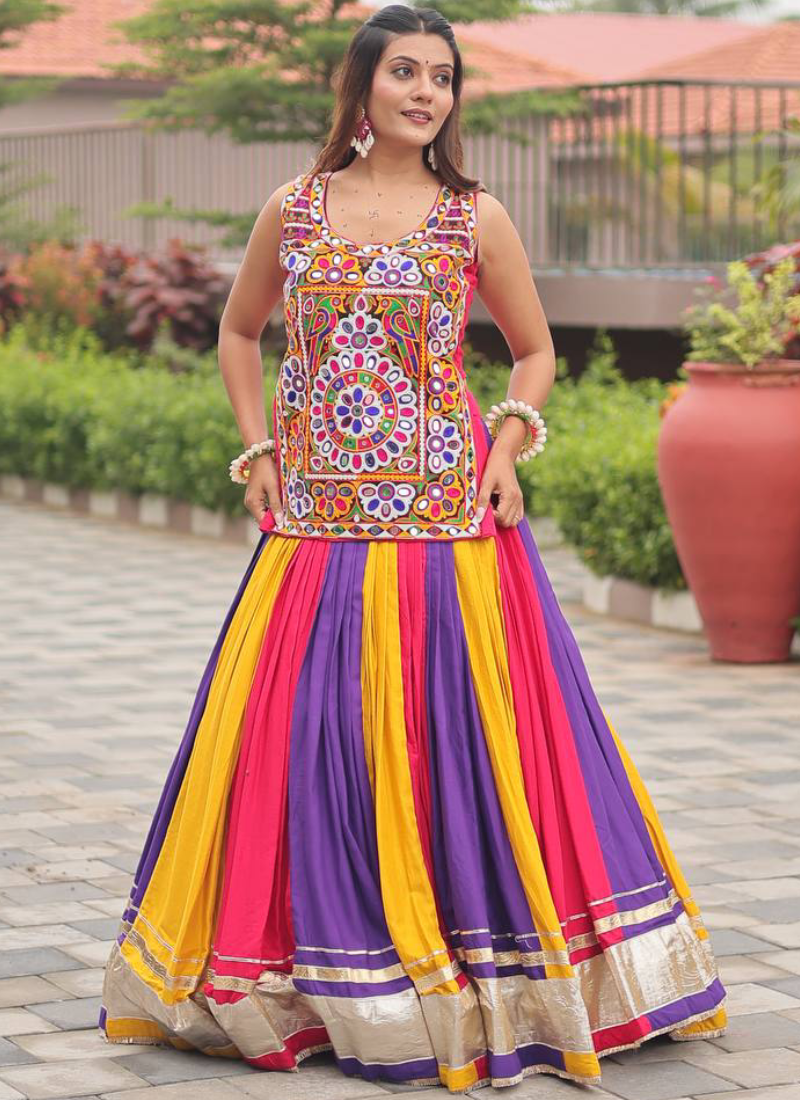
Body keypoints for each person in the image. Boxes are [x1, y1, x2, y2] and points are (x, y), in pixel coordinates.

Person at [99, 5, 727, 1092]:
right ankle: (315, 970)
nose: (425, 92)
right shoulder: (293, 212)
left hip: (448, 520)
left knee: (461, 740)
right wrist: (255, 446)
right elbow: (240, 328)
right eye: (403, 71)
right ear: (361, 84)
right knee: (308, 737)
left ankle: (483, 968)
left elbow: (532, 353)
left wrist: (511, 443)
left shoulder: (471, 216)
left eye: (441, 76)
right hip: (316, 525)